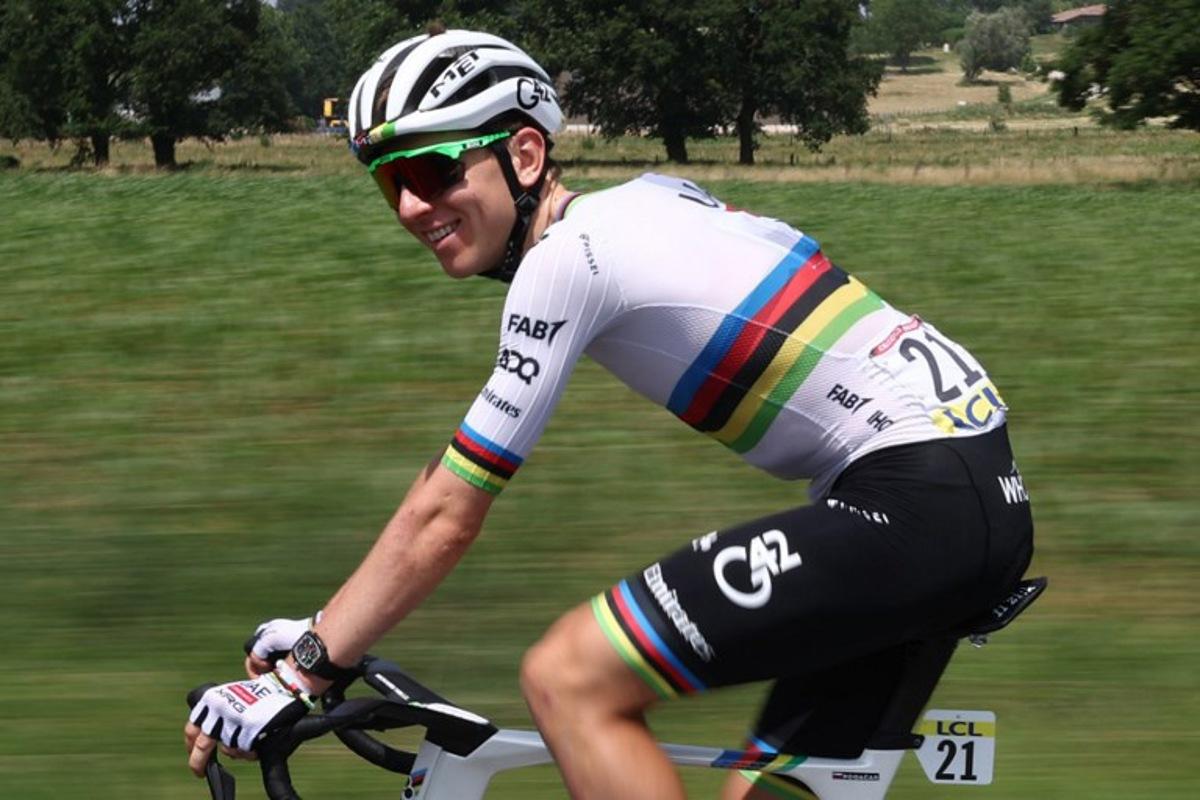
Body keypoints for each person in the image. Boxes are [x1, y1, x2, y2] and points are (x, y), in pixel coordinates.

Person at [184, 28, 1034, 800]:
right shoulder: (656, 199)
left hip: (912, 499)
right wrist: (327, 633)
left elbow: (448, 511)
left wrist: (306, 669)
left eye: (435, 170)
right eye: (389, 182)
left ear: (524, 154)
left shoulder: (567, 259)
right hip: (972, 493)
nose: (411, 206)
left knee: (569, 678)